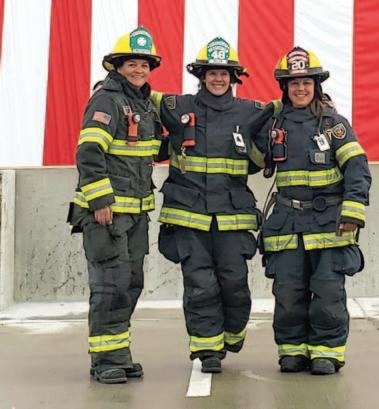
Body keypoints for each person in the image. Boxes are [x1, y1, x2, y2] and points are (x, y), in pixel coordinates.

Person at [252, 47, 371, 374]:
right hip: (287, 222)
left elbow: (357, 168)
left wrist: (353, 211)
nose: (300, 88)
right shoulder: (275, 124)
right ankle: (292, 350)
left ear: (316, 86)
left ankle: (326, 352)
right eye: (294, 83)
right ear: (285, 88)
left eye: (306, 82)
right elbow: (251, 154)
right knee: (288, 292)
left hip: (329, 223)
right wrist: (265, 113)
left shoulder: (334, 125)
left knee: (328, 291)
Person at [151, 37, 265, 373]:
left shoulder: (251, 111)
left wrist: (323, 106)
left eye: (224, 73)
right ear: (201, 76)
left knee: (235, 285)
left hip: (232, 218)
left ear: (234, 78)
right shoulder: (176, 106)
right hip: (188, 217)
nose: (218, 79)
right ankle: (207, 349)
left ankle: (232, 335)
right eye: (212, 73)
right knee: (200, 286)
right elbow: (138, 94)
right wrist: (106, 89)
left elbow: (288, 110)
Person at [67, 27, 163, 384]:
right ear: (118, 66)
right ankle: (105, 360)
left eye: (144, 64)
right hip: (107, 214)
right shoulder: (107, 100)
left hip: (135, 214)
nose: (139, 70)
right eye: (132, 64)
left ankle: (119, 355)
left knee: (130, 283)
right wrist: (100, 200)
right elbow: (89, 151)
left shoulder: (142, 104)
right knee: (110, 286)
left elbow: (149, 152)